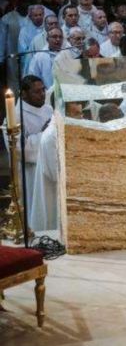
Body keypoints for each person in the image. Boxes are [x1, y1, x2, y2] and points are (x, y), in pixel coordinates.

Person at [4, 76, 55, 231]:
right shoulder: (14, 116)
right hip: (30, 173)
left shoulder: (48, 109)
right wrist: (45, 133)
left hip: (50, 167)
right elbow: (20, 150)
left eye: (43, 90)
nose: (42, 94)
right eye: (37, 92)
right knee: (35, 211)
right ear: (24, 94)